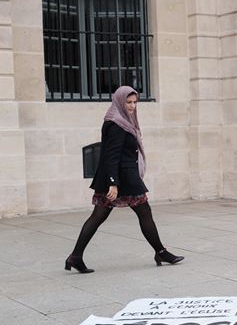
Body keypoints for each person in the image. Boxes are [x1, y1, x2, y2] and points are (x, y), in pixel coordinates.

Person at [65, 86, 184, 273]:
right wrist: (113, 183)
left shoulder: (123, 120)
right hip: (122, 178)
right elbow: (111, 155)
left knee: (100, 216)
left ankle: (75, 257)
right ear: (120, 101)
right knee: (141, 213)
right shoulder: (116, 123)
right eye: (128, 102)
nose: (132, 106)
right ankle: (161, 252)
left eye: (135, 102)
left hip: (123, 176)